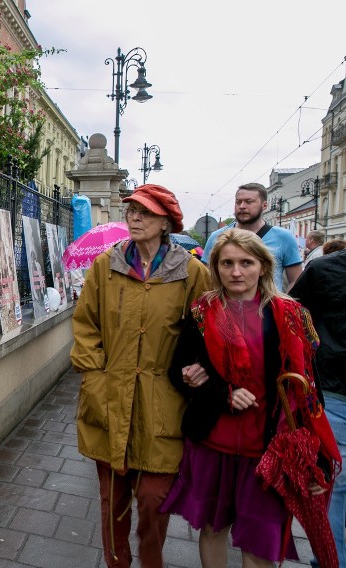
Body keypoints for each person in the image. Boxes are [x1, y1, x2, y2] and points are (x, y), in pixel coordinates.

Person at [162, 228, 327, 567]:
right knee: (212, 529)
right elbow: (178, 368)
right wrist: (216, 389)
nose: (236, 272)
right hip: (212, 444)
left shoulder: (291, 315)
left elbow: (310, 390)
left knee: (259, 543)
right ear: (216, 268)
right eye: (227, 263)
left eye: (246, 263)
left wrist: (319, 460)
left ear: (263, 267)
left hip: (267, 451)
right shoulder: (201, 313)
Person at [72, 184, 209, 568]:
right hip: (110, 398)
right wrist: (95, 378)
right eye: (131, 210)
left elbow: (210, 332)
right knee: (112, 499)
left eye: (145, 212)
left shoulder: (192, 273)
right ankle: (117, 563)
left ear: (165, 222)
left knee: (153, 499)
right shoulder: (106, 266)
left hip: (163, 404)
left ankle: (151, 562)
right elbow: (86, 325)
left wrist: (203, 368)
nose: (134, 217)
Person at [291, 245, 346, 567]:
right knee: (335, 486)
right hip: (333, 392)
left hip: (331, 387)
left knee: (336, 489)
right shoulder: (324, 269)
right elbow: (294, 316)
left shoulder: (324, 268)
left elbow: (294, 314)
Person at [201, 183, 302, 291]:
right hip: (226, 306)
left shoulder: (284, 237)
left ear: (264, 205)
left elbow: (296, 280)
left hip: (270, 305)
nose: (242, 206)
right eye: (238, 202)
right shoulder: (217, 237)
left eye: (249, 202)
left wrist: (285, 305)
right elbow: (207, 279)